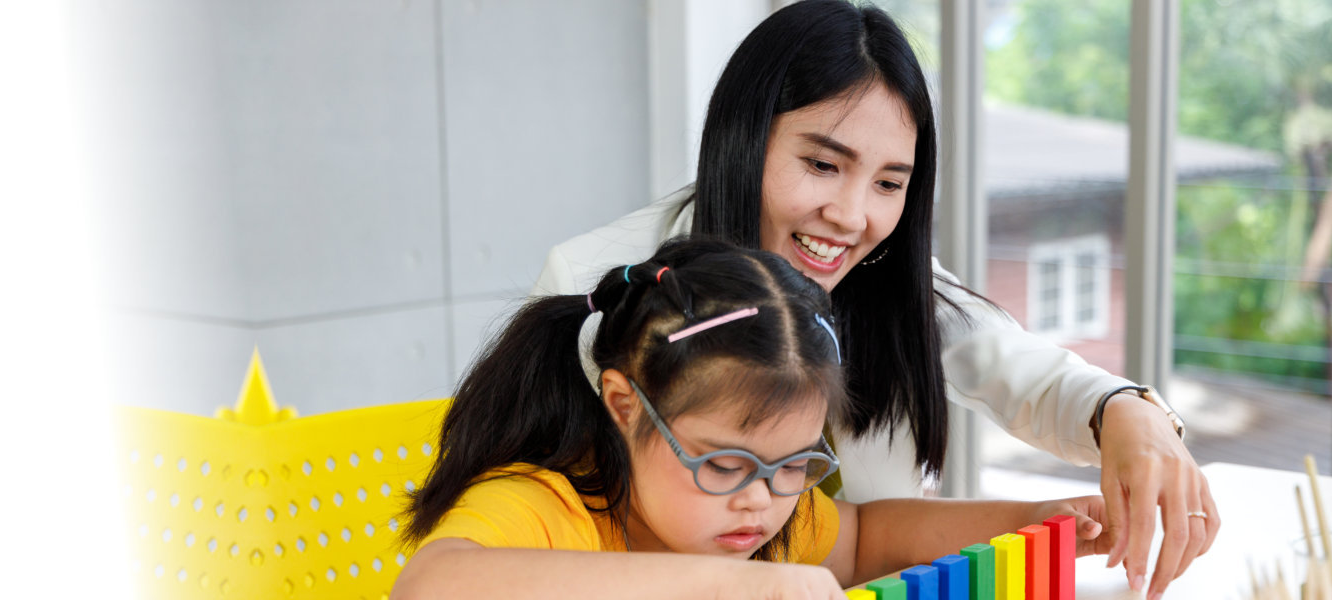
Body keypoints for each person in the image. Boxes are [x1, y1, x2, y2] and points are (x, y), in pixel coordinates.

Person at [534, 1, 1214, 596]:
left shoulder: (886, 281)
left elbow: (1027, 373)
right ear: (744, 140)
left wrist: (1129, 413)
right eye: (823, 165)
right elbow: (531, 552)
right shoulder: (599, 283)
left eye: (890, 183)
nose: (852, 216)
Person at [395, 239, 1108, 599]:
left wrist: (1044, 517)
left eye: (795, 464)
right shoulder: (549, 508)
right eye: (724, 463)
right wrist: (731, 582)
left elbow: (864, 540)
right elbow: (431, 585)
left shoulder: (755, 506)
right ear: (623, 405)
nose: (762, 499)